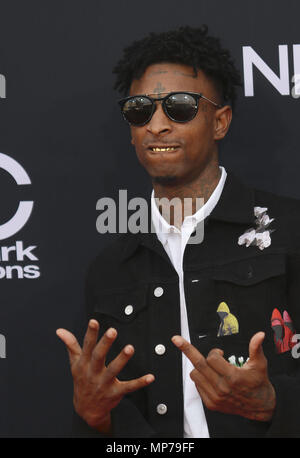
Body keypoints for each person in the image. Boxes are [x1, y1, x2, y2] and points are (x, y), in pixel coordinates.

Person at [56, 25, 300, 438]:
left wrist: (276, 404)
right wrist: (94, 417)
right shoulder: (111, 269)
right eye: (139, 110)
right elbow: (112, 416)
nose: (157, 125)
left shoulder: (291, 231)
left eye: (179, 107)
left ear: (220, 121)